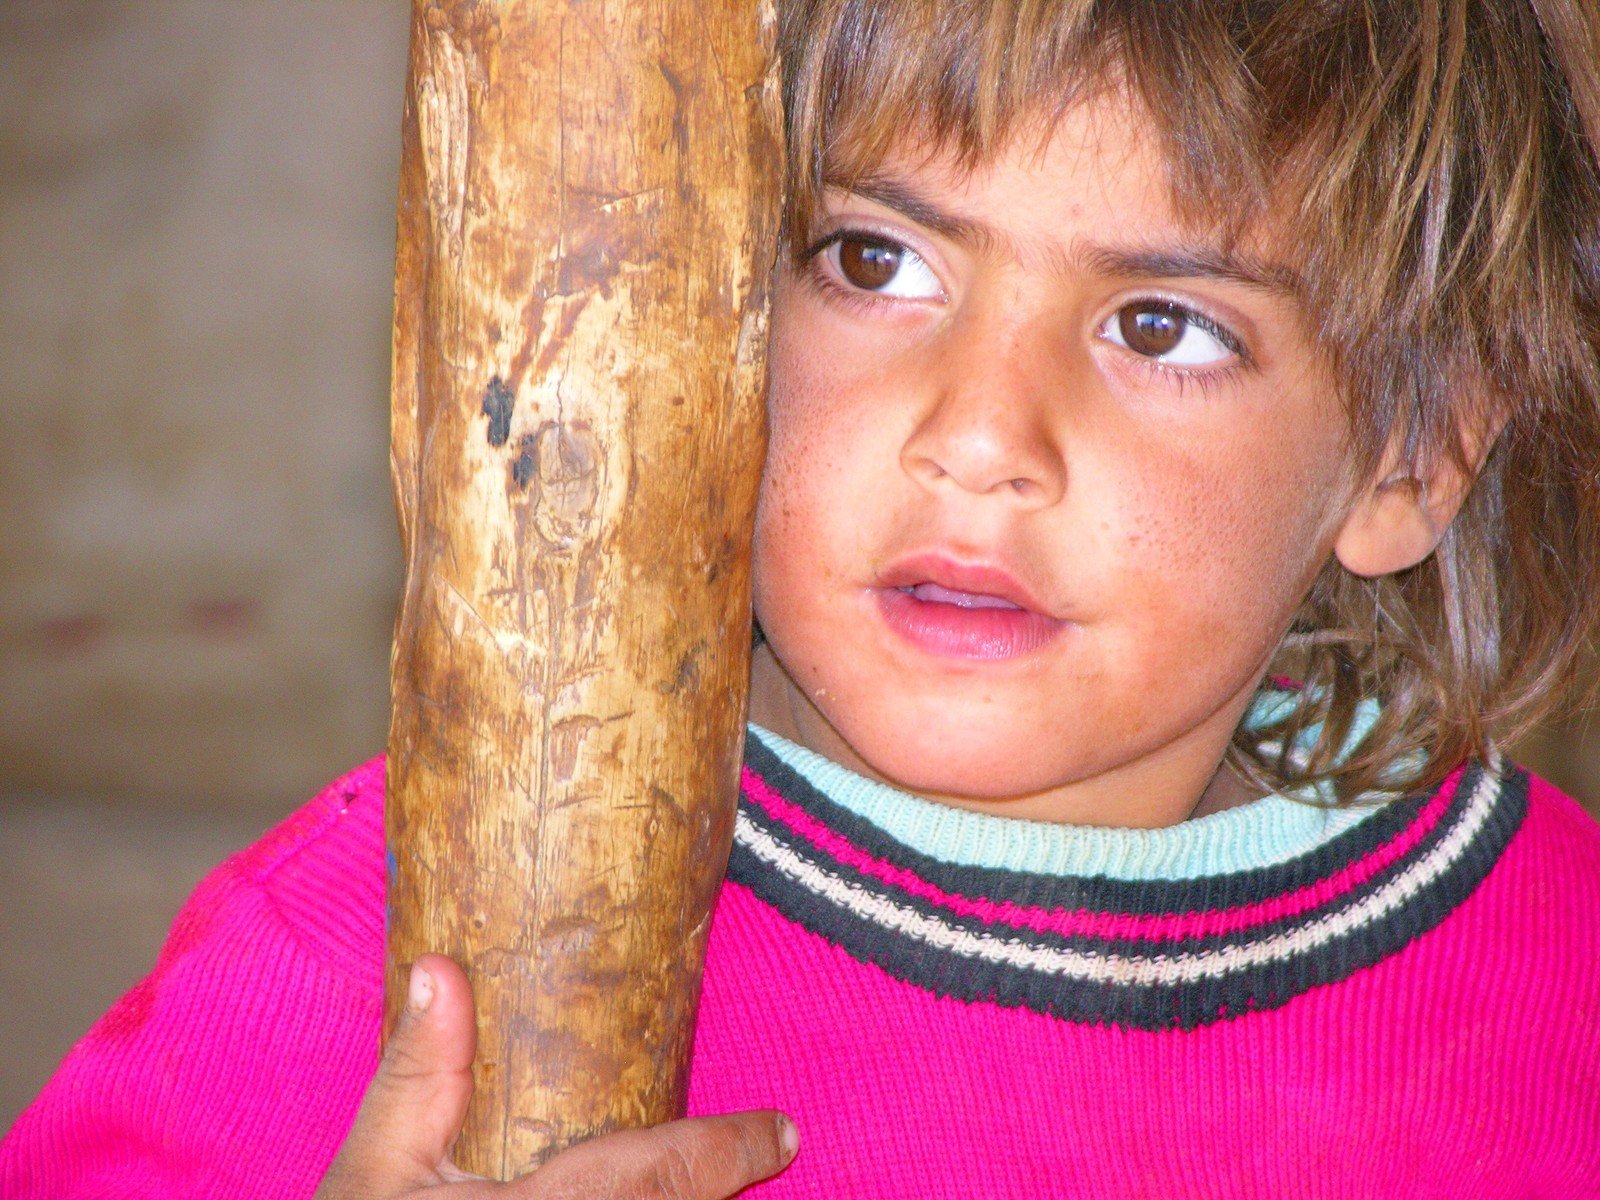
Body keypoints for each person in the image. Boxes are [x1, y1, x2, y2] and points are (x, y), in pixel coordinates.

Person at [6, 0, 1600, 1195]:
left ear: (1413, 456)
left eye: (1163, 326)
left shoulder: (1553, 976)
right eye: (872, 262)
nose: (978, 438)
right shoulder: (375, 970)